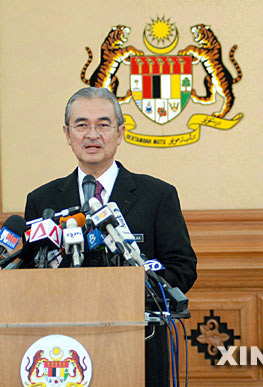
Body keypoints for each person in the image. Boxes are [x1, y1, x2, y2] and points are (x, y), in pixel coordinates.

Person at [23, 86, 197, 387]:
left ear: (120, 133)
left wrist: (120, 295)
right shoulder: (44, 200)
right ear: (67, 134)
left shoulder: (157, 195)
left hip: (139, 344)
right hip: (64, 350)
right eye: (82, 125)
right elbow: (26, 276)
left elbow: (182, 269)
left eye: (103, 124)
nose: (93, 134)